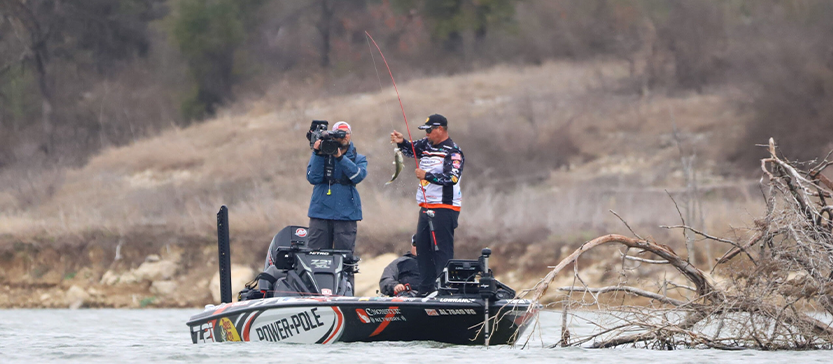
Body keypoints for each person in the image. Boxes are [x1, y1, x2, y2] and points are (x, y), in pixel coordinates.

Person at [390, 114, 464, 295]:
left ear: (440, 129)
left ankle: (445, 290)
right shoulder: (426, 144)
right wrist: (401, 142)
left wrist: (427, 176)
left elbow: (452, 178)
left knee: (441, 250)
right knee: (422, 248)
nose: (427, 134)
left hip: (445, 207)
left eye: (430, 130)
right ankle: (426, 290)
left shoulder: (453, 152)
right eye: (426, 131)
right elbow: (410, 150)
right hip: (426, 206)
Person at [307, 121, 367, 253]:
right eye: (340, 133)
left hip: (346, 215)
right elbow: (313, 178)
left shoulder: (358, 158)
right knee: (316, 255)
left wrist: (340, 158)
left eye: (347, 133)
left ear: (351, 135)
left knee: (345, 258)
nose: (344, 136)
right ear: (333, 136)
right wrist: (317, 154)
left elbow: (358, 176)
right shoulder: (321, 155)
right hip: (320, 213)